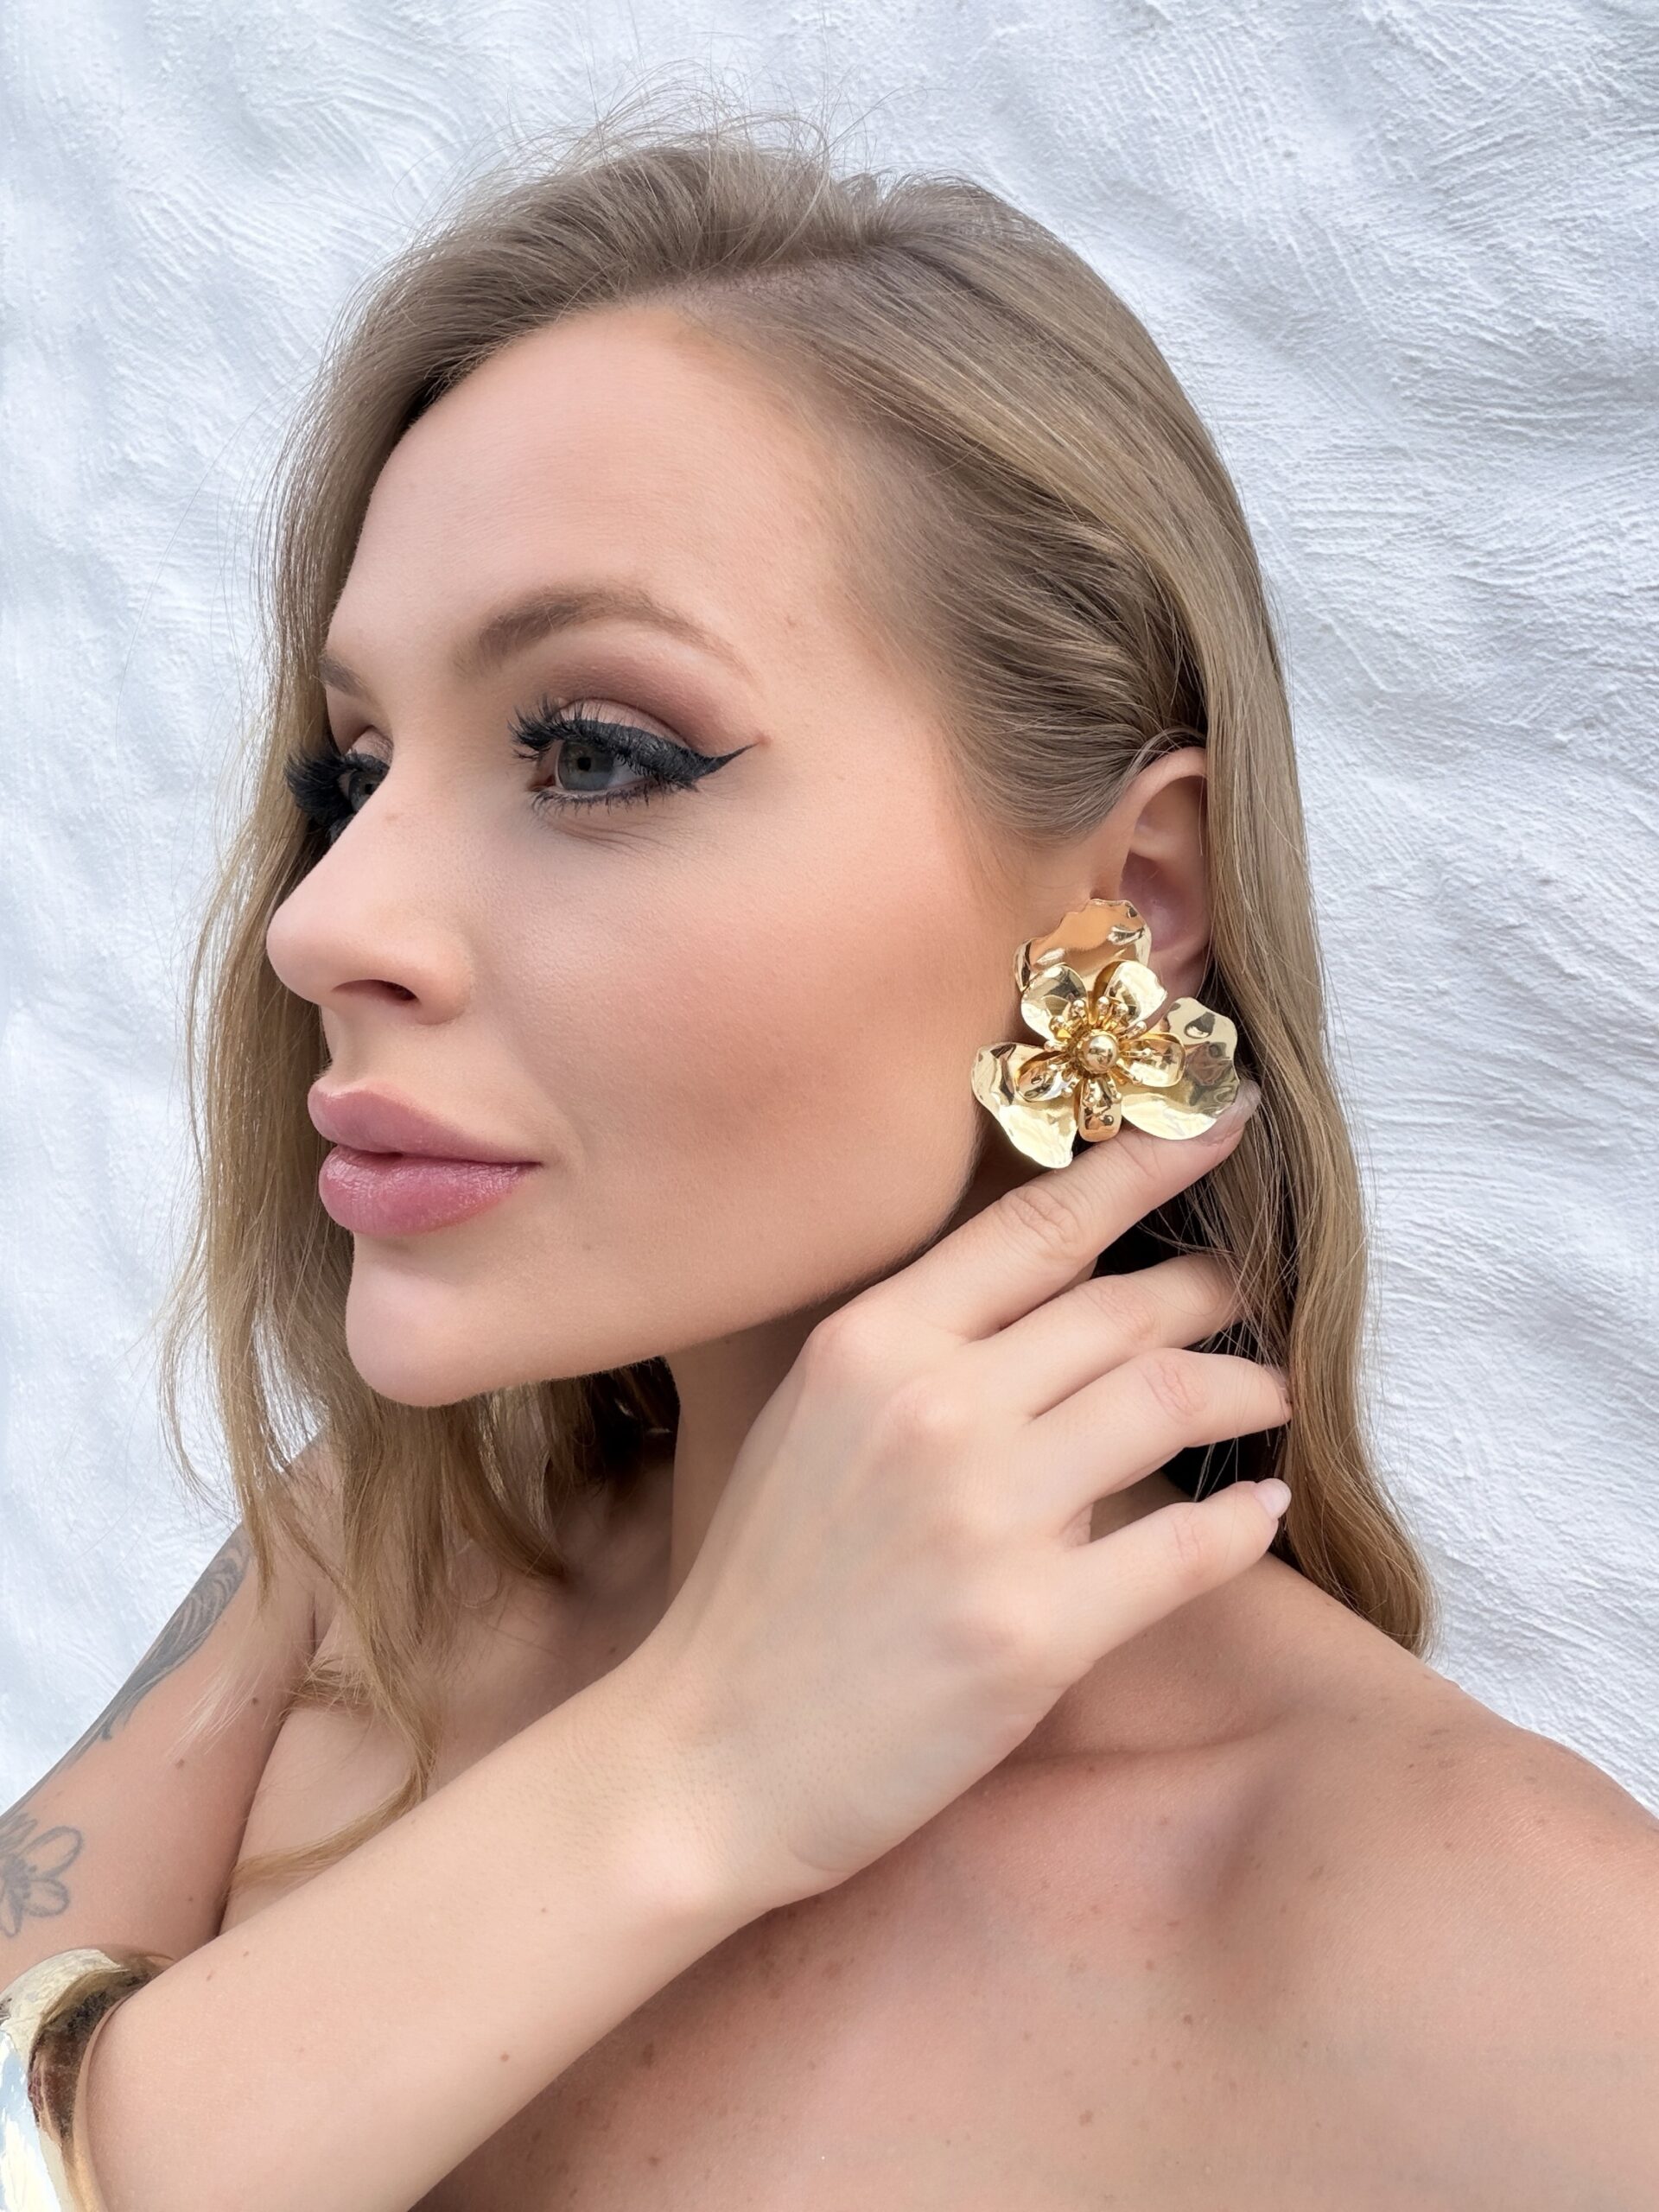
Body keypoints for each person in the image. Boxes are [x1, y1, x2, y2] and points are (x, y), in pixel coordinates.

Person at [3, 94, 1655, 2212]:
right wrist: (696, 1760)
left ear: (1130, 902)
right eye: (354, 770)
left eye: (595, 751)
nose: (323, 921)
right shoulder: (371, 1564)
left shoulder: (1510, 1963)